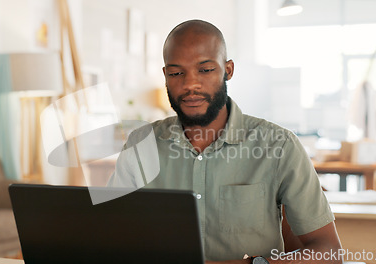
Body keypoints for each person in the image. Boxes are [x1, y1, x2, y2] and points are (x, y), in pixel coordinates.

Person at [108, 19, 342, 264]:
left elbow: (329, 251)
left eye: (205, 70)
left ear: (228, 70)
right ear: (165, 75)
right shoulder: (139, 146)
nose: (190, 84)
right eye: (177, 73)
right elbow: (109, 236)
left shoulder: (279, 146)